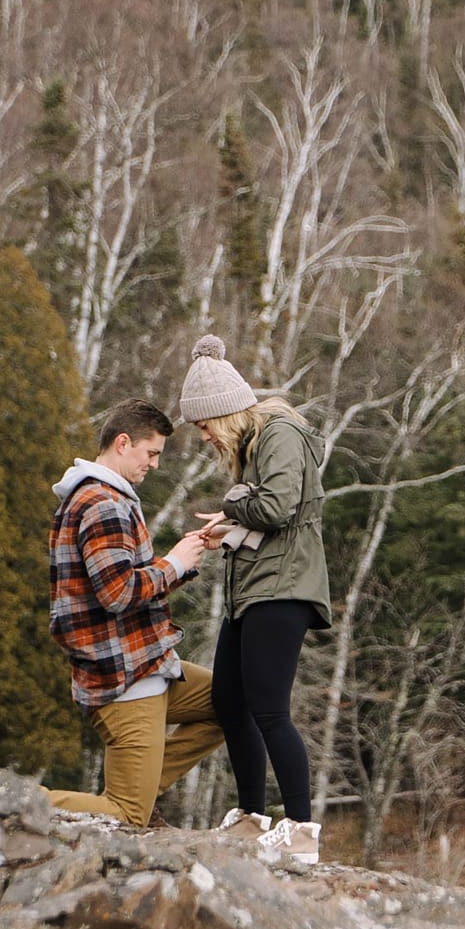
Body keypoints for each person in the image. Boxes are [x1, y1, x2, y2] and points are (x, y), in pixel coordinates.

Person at [179, 335, 332, 865]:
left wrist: (233, 502)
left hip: (284, 588)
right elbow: (262, 512)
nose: (202, 438)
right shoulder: (253, 446)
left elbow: (277, 506)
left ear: (223, 415)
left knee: (269, 709)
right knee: (228, 699)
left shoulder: (279, 434)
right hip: (254, 588)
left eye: (203, 427)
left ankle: (301, 831)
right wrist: (230, 523)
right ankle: (250, 819)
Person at [44, 397, 225, 827]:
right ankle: (11, 799)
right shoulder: (102, 503)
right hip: (124, 679)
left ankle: (142, 785)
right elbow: (118, 592)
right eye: (151, 453)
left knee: (234, 703)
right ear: (123, 443)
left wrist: (186, 559)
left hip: (146, 666)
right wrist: (174, 562)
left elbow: (122, 585)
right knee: (127, 815)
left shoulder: (106, 497)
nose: (155, 465)